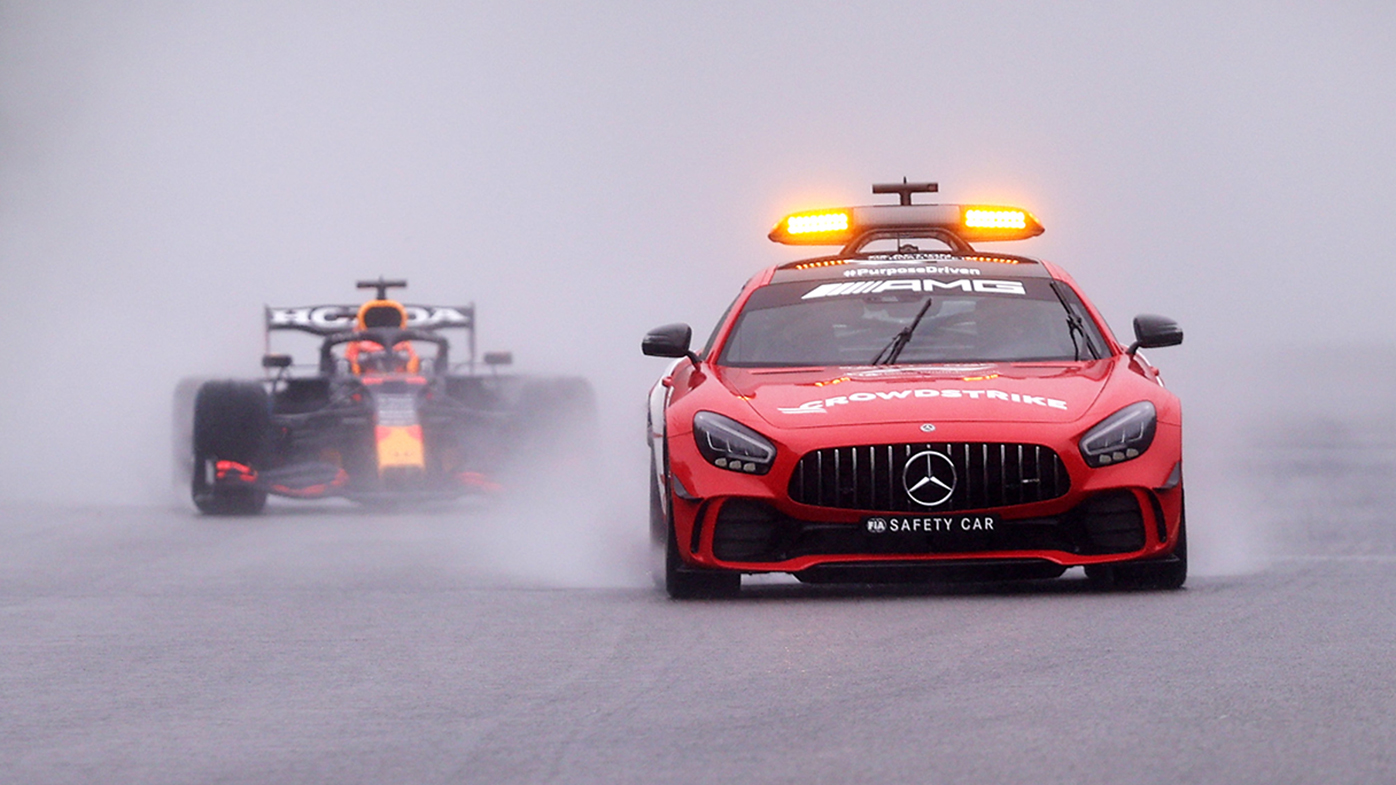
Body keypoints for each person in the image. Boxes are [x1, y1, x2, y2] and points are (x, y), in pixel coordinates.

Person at [345, 299, 420, 374]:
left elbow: (413, 360)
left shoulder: (402, 342)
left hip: (400, 377)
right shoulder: (358, 342)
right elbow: (349, 361)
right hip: (363, 378)